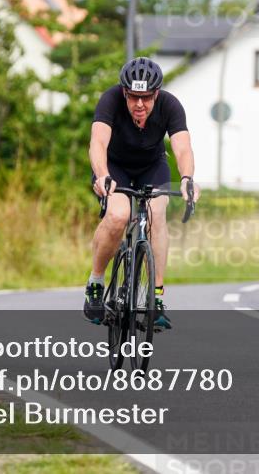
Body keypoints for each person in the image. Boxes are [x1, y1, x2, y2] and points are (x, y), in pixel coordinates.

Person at [83, 57, 200, 329]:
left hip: (151, 167)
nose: (139, 104)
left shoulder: (170, 105)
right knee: (118, 215)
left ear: (156, 94)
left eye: (146, 98)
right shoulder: (110, 100)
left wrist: (187, 179)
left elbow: (182, 147)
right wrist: (102, 174)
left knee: (156, 213)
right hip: (114, 167)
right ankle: (96, 284)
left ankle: (155, 297)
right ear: (124, 92)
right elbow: (97, 142)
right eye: (133, 97)